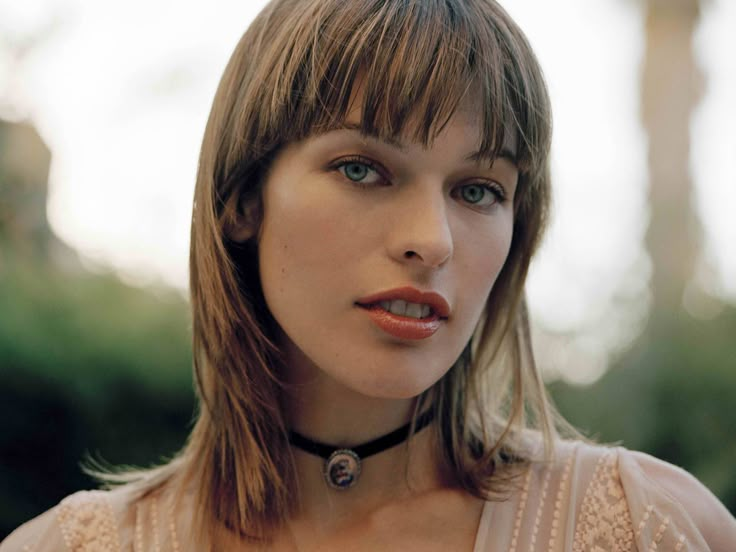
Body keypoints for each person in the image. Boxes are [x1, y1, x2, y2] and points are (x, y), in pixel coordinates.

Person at [3, 0, 736, 550]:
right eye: (364, 169)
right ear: (242, 200)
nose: (432, 242)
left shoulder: (652, 529)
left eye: (478, 190)